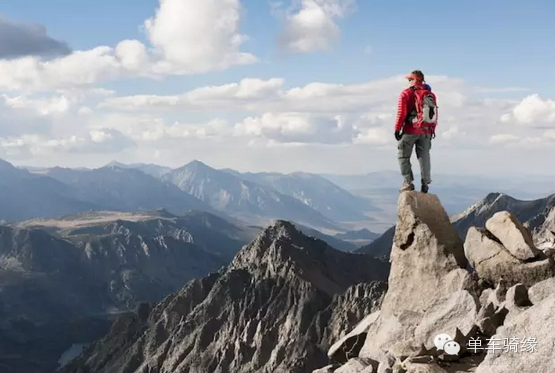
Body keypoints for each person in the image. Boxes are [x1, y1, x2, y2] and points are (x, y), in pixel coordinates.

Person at [394, 70, 437, 193]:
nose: (408, 82)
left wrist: (397, 129)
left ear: (414, 80)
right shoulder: (430, 95)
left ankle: (408, 182)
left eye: (409, 80)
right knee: (424, 156)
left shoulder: (406, 94)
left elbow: (401, 113)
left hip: (410, 130)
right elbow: (434, 115)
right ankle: (425, 184)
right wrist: (431, 130)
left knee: (403, 155)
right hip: (426, 131)